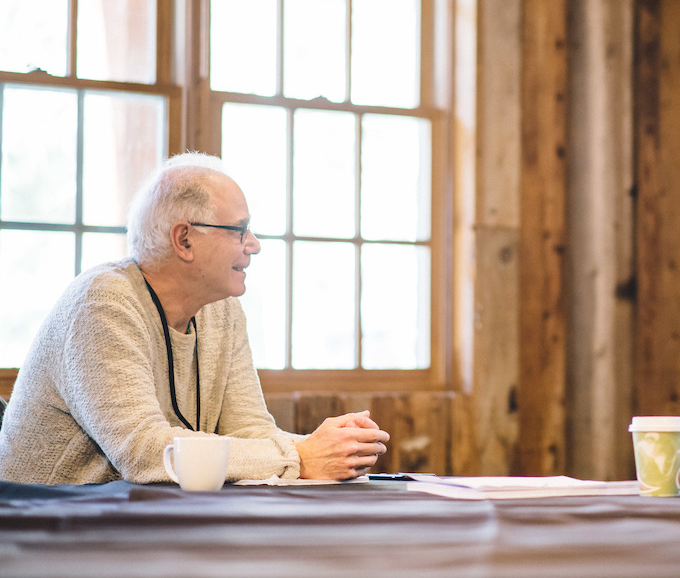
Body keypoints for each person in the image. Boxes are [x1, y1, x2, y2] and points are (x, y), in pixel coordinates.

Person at [0, 153, 389, 485]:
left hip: (141, 521)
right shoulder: (102, 303)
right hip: (48, 528)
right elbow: (146, 453)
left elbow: (250, 431)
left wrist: (329, 448)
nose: (254, 245)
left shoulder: (222, 309)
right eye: (240, 230)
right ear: (184, 239)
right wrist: (302, 455)